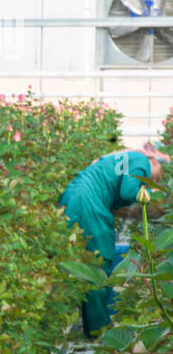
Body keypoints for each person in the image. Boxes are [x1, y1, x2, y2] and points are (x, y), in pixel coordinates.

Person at [59, 142, 167, 336]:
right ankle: (99, 331)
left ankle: (88, 324)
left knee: (80, 261)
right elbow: (128, 191)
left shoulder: (124, 159)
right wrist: (154, 194)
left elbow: (118, 195)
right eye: (152, 179)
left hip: (74, 197)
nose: (150, 182)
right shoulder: (142, 161)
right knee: (98, 265)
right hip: (87, 204)